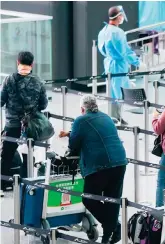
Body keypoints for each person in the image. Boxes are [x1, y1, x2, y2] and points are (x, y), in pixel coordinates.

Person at [59, 95, 127, 244]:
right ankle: (109, 236)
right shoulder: (107, 117)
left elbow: (73, 145)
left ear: (82, 109)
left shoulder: (80, 120)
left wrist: (69, 138)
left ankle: (114, 226)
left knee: (89, 199)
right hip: (120, 161)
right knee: (112, 200)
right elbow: (96, 134)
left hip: (100, 165)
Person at [1, 51, 48, 193]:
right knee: (29, 152)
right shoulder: (38, 81)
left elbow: (1, 100)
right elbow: (43, 104)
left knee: (7, 155)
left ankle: (4, 184)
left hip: (12, 125)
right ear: (32, 64)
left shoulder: (9, 80)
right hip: (31, 125)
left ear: (17, 62)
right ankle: (27, 183)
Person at [98, 5, 142, 124]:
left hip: (109, 65)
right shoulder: (118, 32)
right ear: (118, 17)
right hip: (119, 67)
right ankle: (115, 118)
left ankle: (115, 117)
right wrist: (137, 62)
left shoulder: (104, 31)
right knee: (119, 93)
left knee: (112, 93)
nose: (122, 18)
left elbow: (102, 50)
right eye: (121, 15)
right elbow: (124, 52)